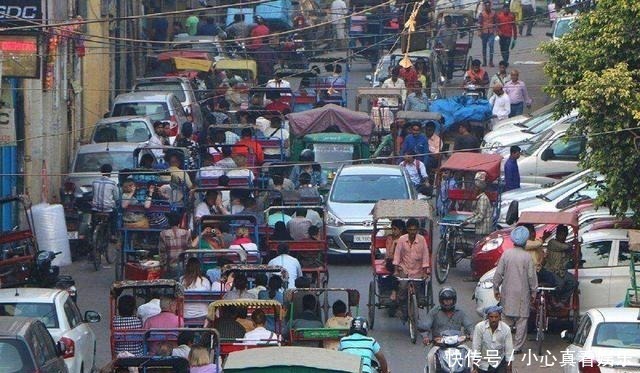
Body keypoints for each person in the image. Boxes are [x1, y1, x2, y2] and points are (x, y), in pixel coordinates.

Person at [492, 226, 538, 354]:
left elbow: (498, 274)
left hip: (507, 293)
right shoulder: (527, 257)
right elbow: (531, 277)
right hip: (523, 294)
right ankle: (517, 347)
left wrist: (496, 288)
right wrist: (534, 292)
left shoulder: (506, 254)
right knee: (522, 321)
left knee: (506, 320)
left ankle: (503, 345)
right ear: (525, 241)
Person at [421, 288, 474, 373]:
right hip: (439, 345)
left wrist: (472, 334)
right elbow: (426, 325)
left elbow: (469, 325)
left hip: (458, 345)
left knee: (471, 355)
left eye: (450, 300)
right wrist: (425, 336)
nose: (448, 302)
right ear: (441, 301)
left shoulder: (460, 313)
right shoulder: (434, 312)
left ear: (454, 300)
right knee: (431, 357)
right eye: (446, 300)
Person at [393, 218, 430, 320]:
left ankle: (415, 308)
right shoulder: (402, 239)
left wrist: (425, 271)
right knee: (403, 288)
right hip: (404, 268)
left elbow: (425, 256)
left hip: (417, 270)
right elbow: (397, 255)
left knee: (418, 290)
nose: (412, 232)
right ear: (407, 229)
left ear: (417, 230)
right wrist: (396, 270)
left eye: (414, 230)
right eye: (410, 230)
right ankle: (403, 311)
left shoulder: (422, 240)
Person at [472, 306, 514, 373]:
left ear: (500, 317)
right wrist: (475, 369)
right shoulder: (479, 327)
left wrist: (509, 371)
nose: (494, 319)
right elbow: (476, 349)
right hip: (483, 363)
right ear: (488, 317)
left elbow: (509, 352)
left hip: (499, 362)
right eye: (491, 317)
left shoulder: (506, 329)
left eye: (496, 317)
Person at [544, 224, 578, 305]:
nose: (563, 237)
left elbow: (572, 256)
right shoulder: (552, 242)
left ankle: (561, 301)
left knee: (573, 282)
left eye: (564, 234)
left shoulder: (566, 245)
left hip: (562, 272)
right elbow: (565, 247)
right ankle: (553, 300)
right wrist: (572, 243)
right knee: (560, 283)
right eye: (561, 234)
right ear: (557, 234)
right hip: (551, 271)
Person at [158, 212, 191, 278]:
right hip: (183, 266)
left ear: (169, 222)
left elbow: (162, 253)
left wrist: (163, 266)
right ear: (179, 222)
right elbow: (189, 250)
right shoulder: (186, 233)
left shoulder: (163, 234)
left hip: (170, 266)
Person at [91, 164, 119, 241]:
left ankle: (92, 232)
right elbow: (116, 197)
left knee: (93, 220)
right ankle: (113, 234)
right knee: (115, 215)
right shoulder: (112, 183)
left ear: (101, 171)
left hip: (96, 208)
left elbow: (93, 194)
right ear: (110, 172)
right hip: (108, 209)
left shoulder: (95, 182)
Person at [437, 15, 458, 81]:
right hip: (443, 48)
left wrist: (452, 47)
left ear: (451, 21)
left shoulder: (454, 27)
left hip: (451, 47)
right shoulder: (442, 28)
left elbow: (454, 38)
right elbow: (438, 36)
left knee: (450, 63)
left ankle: (449, 77)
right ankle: (443, 74)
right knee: (440, 62)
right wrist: (438, 42)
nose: (447, 22)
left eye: (448, 20)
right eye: (446, 21)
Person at [478, 0, 497, 67]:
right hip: (484, 32)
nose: (488, 7)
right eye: (486, 6)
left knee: (491, 46)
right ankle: (484, 61)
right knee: (484, 47)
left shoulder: (494, 13)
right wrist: (479, 31)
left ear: (490, 6)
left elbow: (495, 23)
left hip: (491, 32)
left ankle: (491, 61)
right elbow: (480, 23)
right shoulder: (482, 14)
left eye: (489, 6)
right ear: (485, 6)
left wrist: (496, 31)